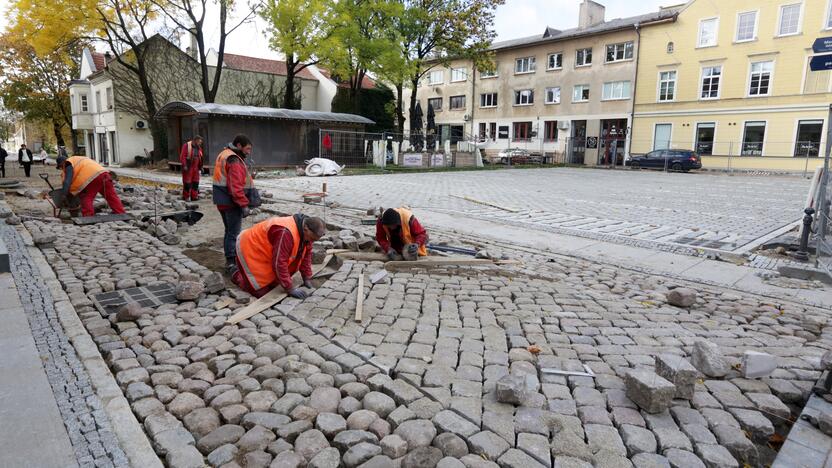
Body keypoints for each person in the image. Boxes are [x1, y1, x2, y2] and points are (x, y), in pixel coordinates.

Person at [232, 214, 326, 299]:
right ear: (306, 228)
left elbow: (306, 256)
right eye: (312, 239)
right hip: (250, 245)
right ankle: (237, 275)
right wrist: (289, 288)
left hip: (267, 250)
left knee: (276, 283)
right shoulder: (285, 233)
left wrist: (306, 277)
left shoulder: (306, 233)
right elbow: (279, 263)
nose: (312, 242)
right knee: (261, 292)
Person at [213, 134, 255, 273]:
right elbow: (235, 186)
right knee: (234, 233)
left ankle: (229, 259)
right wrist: (243, 204)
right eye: (247, 148)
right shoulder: (234, 160)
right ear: (239, 146)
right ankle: (231, 262)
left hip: (222, 200)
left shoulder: (224, 154)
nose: (249, 152)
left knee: (229, 231)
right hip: (231, 203)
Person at [57, 155, 126, 217]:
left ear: (62, 163)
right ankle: (120, 212)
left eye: (60, 167)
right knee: (111, 196)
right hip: (105, 174)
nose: (61, 169)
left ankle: (88, 216)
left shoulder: (68, 163)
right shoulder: (78, 159)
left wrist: (64, 194)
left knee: (86, 197)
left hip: (93, 178)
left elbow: (67, 181)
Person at [179, 135, 204, 201]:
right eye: (199, 142)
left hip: (196, 168)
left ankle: (194, 196)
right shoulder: (186, 146)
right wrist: (184, 165)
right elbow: (182, 156)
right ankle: (186, 196)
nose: (200, 143)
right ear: (196, 140)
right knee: (187, 182)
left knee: (196, 182)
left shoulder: (198, 148)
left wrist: (201, 167)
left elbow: (200, 158)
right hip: (189, 166)